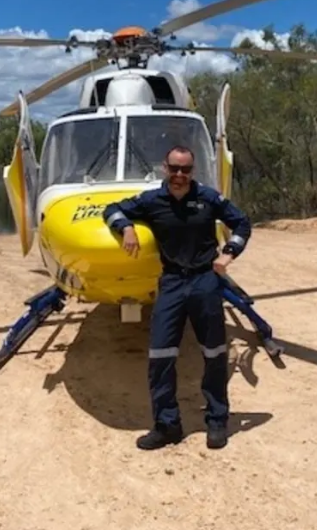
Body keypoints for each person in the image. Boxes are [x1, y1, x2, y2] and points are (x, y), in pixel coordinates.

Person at [102, 144, 252, 450]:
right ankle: (167, 425)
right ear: (164, 168)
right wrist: (126, 227)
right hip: (171, 282)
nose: (180, 175)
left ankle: (217, 420)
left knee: (214, 352)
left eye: (185, 169)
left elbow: (242, 223)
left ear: (192, 171)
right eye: (174, 168)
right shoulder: (152, 200)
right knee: (160, 354)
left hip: (204, 281)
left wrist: (229, 253)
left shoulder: (208, 198)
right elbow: (111, 209)